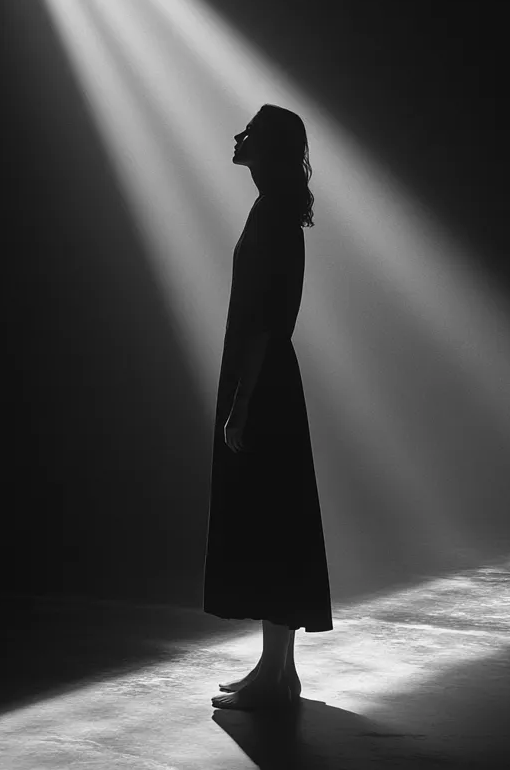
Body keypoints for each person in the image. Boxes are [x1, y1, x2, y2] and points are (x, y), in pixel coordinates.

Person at [203, 104, 333, 711]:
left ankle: (276, 676)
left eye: (250, 133)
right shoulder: (273, 210)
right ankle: (276, 669)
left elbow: (264, 323)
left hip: (266, 383)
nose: (239, 137)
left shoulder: (274, 216)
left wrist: (242, 404)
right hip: (269, 379)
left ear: (270, 147)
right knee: (274, 519)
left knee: (270, 520)